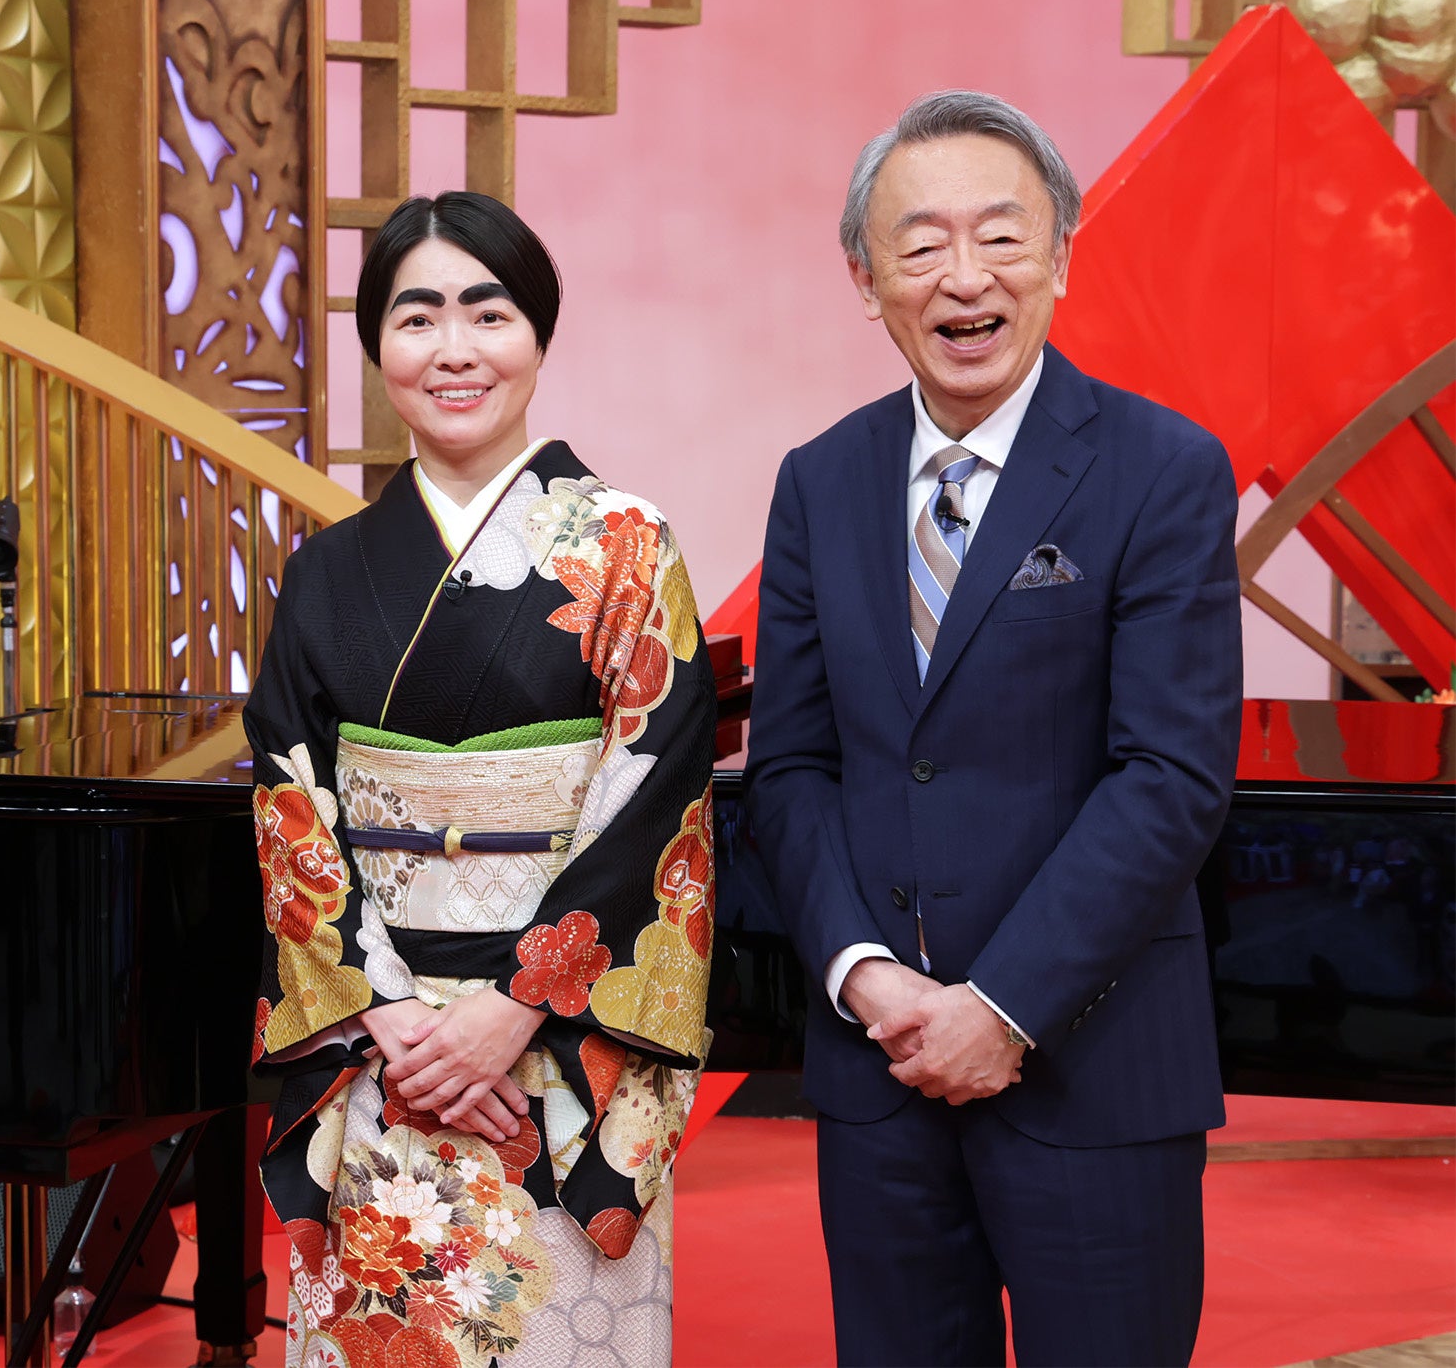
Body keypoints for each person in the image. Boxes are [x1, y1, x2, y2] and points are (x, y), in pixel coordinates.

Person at [745, 91, 1242, 1366]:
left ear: (1061, 258)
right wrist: (866, 978)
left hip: (1095, 1067)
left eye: (1002, 237)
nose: (964, 277)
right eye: (920, 246)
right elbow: (791, 766)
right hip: (879, 1074)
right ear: (865, 279)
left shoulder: (1164, 468)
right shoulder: (819, 481)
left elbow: (1171, 776)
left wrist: (1003, 1006)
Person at [244, 193, 719, 1368]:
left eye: (488, 313)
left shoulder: (627, 547)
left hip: (553, 1060)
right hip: (384, 1057)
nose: (454, 349)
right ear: (378, 348)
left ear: (538, 336)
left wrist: (512, 1009)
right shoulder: (326, 573)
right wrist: (394, 1018)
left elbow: (654, 807)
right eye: (417, 319)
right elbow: (291, 808)